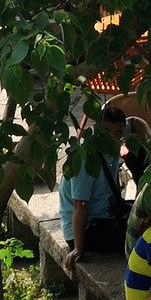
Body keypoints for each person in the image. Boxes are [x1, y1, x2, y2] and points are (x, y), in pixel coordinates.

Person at [56, 111, 126, 276]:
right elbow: (79, 205)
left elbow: (135, 122)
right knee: (137, 239)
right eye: (106, 131)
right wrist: (78, 248)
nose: (112, 137)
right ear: (95, 128)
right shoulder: (85, 158)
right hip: (86, 228)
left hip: (106, 217)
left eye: (118, 132)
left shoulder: (112, 149)